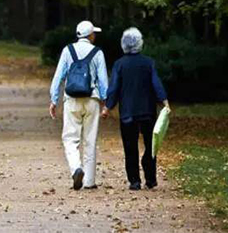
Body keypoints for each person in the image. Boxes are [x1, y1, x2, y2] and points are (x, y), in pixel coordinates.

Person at [101, 27, 170, 190]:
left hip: (127, 113)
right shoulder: (148, 63)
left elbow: (114, 88)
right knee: (150, 144)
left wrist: (107, 107)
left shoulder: (119, 64)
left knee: (130, 146)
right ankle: (151, 178)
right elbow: (156, 83)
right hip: (147, 111)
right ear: (140, 43)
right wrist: (164, 101)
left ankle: (134, 181)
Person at [49, 21, 108, 190]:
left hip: (72, 100)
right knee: (90, 140)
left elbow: (58, 76)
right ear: (90, 35)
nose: (94, 35)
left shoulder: (68, 50)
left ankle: (76, 168)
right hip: (92, 100)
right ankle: (89, 181)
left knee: (70, 138)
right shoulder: (97, 53)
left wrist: (54, 100)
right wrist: (106, 102)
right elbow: (103, 80)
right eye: (93, 33)